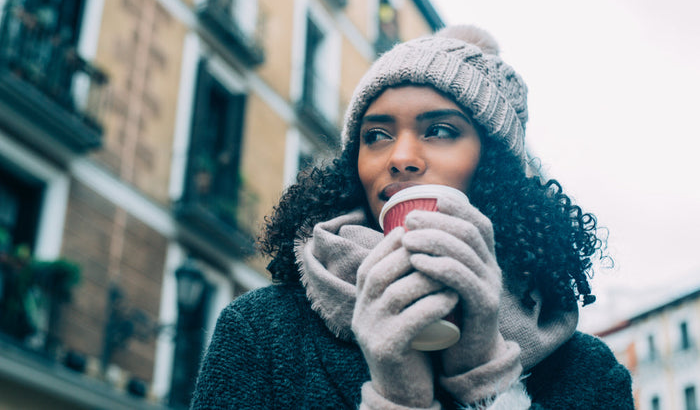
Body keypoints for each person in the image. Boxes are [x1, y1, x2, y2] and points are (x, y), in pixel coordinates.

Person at [190, 25, 634, 409]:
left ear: (494, 166)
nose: (400, 157)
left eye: (440, 130)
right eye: (377, 135)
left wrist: (488, 381)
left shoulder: (590, 373)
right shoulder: (261, 332)